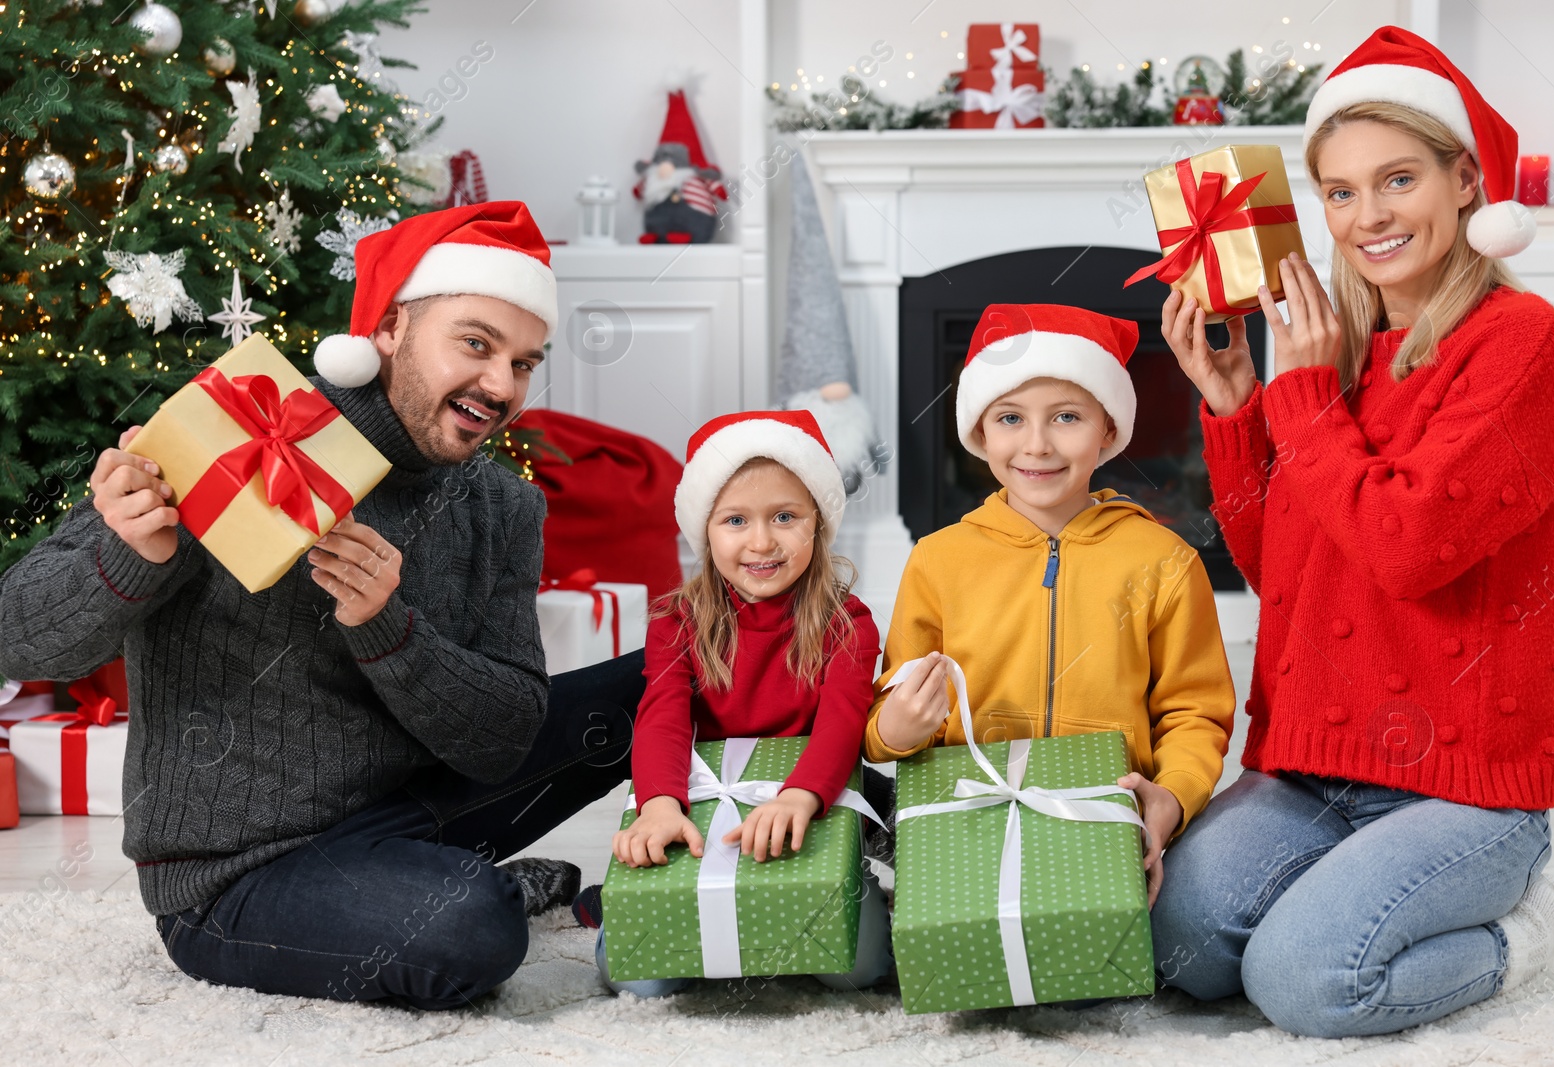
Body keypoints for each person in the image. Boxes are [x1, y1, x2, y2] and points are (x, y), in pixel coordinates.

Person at [0, 201, 648, 1010]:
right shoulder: (243, 432)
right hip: (240, 873)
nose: (500, 384)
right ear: (387, 329)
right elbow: (15, 639)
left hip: (418, 806)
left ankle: (756, 862)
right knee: (476, 930)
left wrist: (388, 627)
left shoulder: (503, 507)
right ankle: (473, 889)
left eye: (523, 361)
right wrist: (126, 556)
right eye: (476, 343)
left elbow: (506, 733)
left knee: (673, 672)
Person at [1149, 26, 1554, 1038]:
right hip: (1310, 767)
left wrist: (1298, 400)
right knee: (1184, 946)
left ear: (1464, 181)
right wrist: (1234, 405)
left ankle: (1522, 932)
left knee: (1305, 981)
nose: (1365, 216)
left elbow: (1404, 548)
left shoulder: (1521, 346)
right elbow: (1283, 575)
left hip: (1462, 790)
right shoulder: (1337, 352)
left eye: (1396, 180)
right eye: (1339, 192)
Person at [865, 304, 1235, 907]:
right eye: (1011, 418)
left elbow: (1196, 711)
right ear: (981, 434)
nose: (1036, 445)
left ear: (1108, 431)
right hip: (973, 816)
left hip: (1112, 814)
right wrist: (892, 730)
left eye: (1067, 417)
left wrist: (1174, 794)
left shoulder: (1165, 560)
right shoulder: (938, 559)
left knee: (1177, 946)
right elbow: (892, 701)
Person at [596, 410, 890, 996]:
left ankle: (864, 882)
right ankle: (609, 906)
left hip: (815, 789)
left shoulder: (847, 623)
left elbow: (842, 723)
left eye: (785, 517)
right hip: (703, 801)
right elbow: (663, 716)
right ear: (705, 530)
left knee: (856, 972)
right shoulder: (677, 619)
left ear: (819, 526)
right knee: (639, 981)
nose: (761, 542)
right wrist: (657, 805)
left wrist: (802, 797)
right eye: (736, 520)